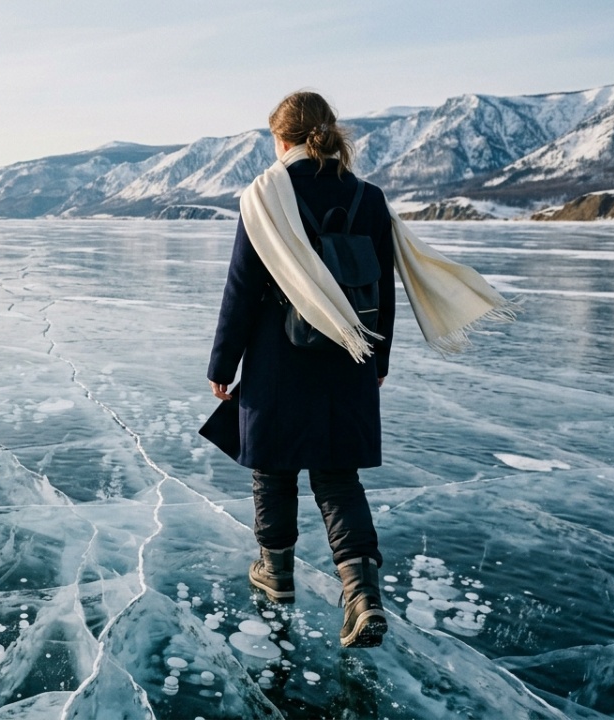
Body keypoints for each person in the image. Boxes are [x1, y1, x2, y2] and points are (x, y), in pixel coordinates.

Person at [206, 91, 394, 648]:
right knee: (337, 476)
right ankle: (362, 596)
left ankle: (276, 573)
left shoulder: (266, 195)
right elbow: (382, 288)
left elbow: (242, 287)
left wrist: (223, 362)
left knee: (273, 468)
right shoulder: (368, 197)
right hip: (349, 353)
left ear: (282, 138)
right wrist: (377, 359)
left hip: (279, 357)